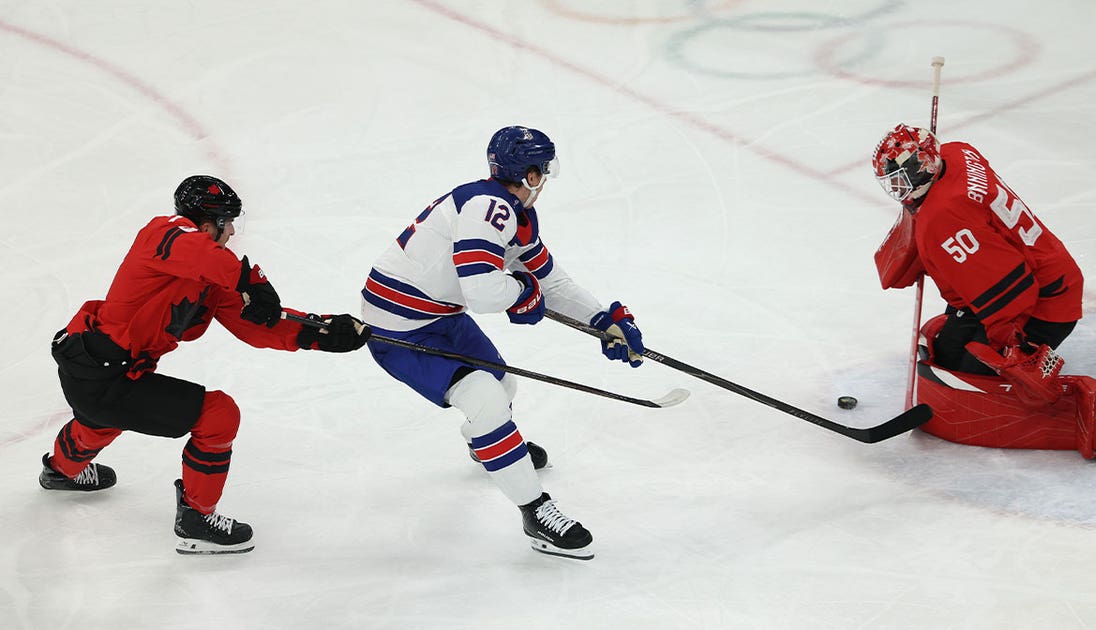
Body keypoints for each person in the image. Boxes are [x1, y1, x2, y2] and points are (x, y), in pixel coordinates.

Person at [41, 175, 371, 555]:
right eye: (227, 221)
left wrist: (321, 332)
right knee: (217, 414)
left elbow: (256, 324)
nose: (232, 230)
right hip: (104, 372)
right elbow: (196, 250)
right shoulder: (164, 233)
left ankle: (61, 470)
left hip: (99, 373)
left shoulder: (210, 278)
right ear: (205, 222)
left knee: (101, 420)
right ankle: (197, 520)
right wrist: (248, 277)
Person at [359, 125, 645, 561]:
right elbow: (483, 291)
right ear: (529, 174)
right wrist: (520, 293)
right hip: (398, 327)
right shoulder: (492, 209)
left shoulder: (507, 210)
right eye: (542, 171)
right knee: (487, 400)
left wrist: (602, 321)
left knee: (503, 386)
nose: (544, 179)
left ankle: (491, 447)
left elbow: (551, 282)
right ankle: (536, 512)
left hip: (437, 315)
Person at [870, 123, 1096, 459]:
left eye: (902, 176)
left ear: (924, 166)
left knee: (965, 376)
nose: (897, 186)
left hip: (1044, 303)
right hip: (1053, 272)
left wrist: (1012, 346)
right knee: (944, 354)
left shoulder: (943, 217)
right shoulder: (956, 153)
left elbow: (1010, 289)